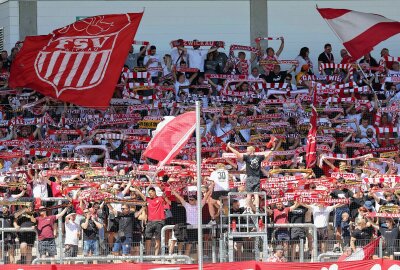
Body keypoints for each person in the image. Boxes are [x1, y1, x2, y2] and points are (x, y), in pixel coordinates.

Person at [226, 142, 273, 213]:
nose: (246, 152)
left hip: (249, 178)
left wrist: (230, 147)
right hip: (257, 178)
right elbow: (269, 153)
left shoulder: (247, 157)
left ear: (251, 151)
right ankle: (257, 209)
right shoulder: (259, 157)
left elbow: (238, 154)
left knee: (249, 195)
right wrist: (271, 149)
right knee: (256, 194)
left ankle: (248, 209)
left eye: (247, 151)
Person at [170, 188, 209, 256]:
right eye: (189, 199)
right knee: (189, 244)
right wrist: (174, 191)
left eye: (192, 199)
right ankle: (186, 259)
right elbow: (179, 198)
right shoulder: (187, 205)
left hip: (197, 227)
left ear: (196, 200)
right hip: (189, 227)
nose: (190, 201)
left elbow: (206, 197)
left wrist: (210, 189)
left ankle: (199, 261)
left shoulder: (199, 205)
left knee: (198, 245)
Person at [135, 186, 171, 255]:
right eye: (149, 193)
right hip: (150, 222)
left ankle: (156, 256)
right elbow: (142, 195)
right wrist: (136, 188)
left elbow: (167, 201)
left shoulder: (160, 199)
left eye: (151, 192)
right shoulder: (148, 199)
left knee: (158, 240)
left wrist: (165, 196)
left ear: (155, 192)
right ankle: (148, 255)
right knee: (148, 239)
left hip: (159, 222)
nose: (150, 194)